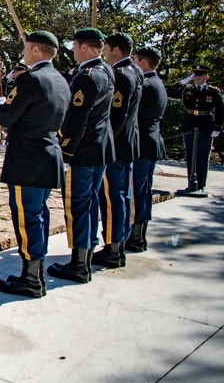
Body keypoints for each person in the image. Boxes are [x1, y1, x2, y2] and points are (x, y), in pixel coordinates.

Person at [0, 31, 71, 297]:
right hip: (49, 156)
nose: (23, 52)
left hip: (27, 159)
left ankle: (31, 278)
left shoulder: (30, 80)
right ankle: (36, 272)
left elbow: (8, 116)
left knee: (27, 219)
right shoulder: (61, 81)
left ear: (37, 50)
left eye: (26, 48)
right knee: (39, 215)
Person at [48, 28, 114, 284]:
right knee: (89, 205)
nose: (72, 50)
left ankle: (78, 264)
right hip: (100, 149)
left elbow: (76, 120)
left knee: (77, 207)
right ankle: (86, 254)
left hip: (82, 151)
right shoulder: (106, 71)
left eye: (74, 45)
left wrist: (65, 153)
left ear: (85, 47)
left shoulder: (86, 77)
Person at [93, 32, 143, 269]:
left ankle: (113, 247)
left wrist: (105, 142)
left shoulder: (121, 75)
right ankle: (120, 242)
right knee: (122, 195)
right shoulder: (136, 71)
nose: (104, 53)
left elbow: (117, 116)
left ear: (115, 50)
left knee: (112, 198)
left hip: (117, 146)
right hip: (129, 143)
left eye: (107, 49)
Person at [127, 46, 168, 252]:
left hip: (142, 144)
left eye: (135, 60)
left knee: (136, 192)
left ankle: (135, 236)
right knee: (143, 192)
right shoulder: (157, 83)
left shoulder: (146, 85)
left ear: (143, 63)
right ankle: (139, 235)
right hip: (150, 143)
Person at [168, 65, 223, 194]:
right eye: (195, 75)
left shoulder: (213, 92)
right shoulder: (187, 89)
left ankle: (201, 185)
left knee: (202, 157)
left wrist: (217, 127)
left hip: (205, 126)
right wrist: (183, 82)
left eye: (200, 75)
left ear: (206, 77)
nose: (197, 78)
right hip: (189, 126)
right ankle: (191, 184)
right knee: (191, 156)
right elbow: (169, 91)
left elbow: (220, 110)